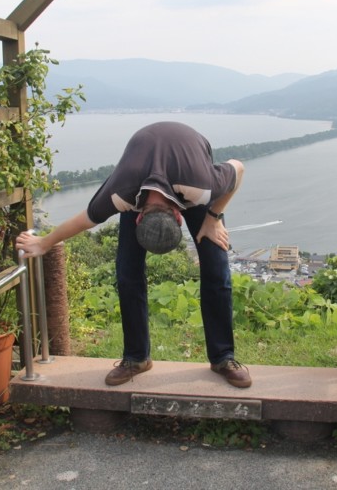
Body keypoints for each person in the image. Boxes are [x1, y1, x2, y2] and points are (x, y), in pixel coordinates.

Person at [16, 121, 251, 388]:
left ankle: (223, 358)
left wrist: (213, 217)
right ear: (138, 216)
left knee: (217, 269)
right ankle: (136, 358)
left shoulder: (201, 188)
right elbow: (85, 220)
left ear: (179, 216)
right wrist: (44, 243)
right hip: (142, 177)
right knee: (127, 271)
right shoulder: (121, 194)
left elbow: (238, 167)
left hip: (189, 168)